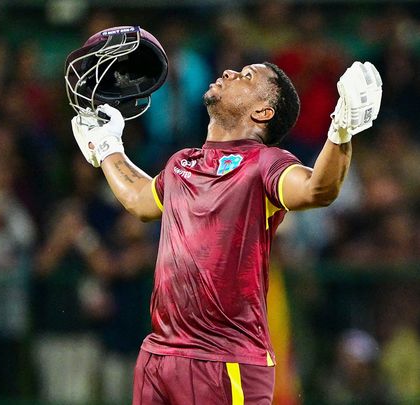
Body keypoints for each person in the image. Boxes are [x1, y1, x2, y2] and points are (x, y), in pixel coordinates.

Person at [71, 60, 381, 404]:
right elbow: (141, 200)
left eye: (247, 77)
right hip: (159, 354)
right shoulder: (181, 163)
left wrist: (341, 130)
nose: (231, 73)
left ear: (262, 112)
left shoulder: (265, 164)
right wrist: (108, 149)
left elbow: (315, 190)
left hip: (225, 360)